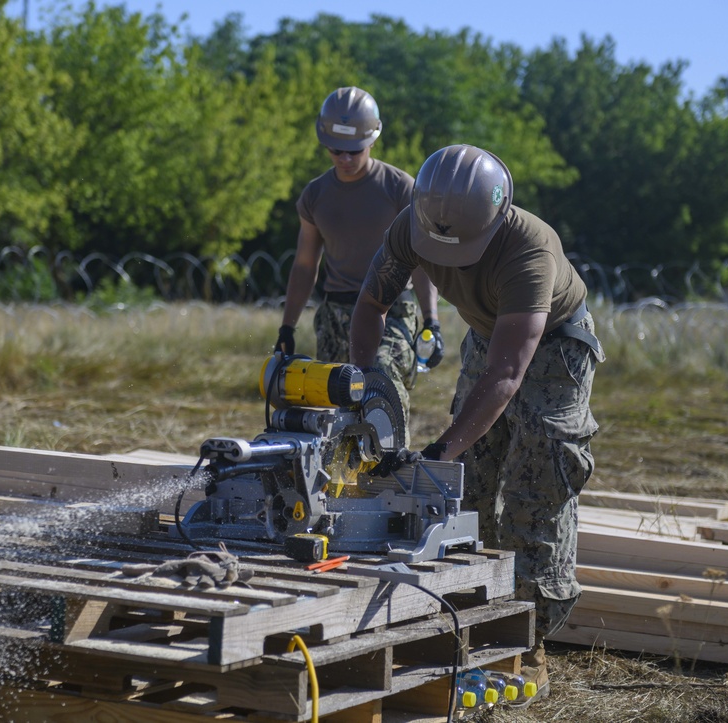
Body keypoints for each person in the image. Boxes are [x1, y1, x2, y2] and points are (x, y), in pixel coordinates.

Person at [350, 144, 604, 703]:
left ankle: (530, 639)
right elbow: (371, 306)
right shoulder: (411, 224)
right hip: (488, 337)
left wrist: (440, 448)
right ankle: (473, 622)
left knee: (535, 494)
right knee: (465, 488)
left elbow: (509, 374)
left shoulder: (528, 249)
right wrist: (362, 390)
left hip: (553, 352)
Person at [274, 87, 443, 442]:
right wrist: (287, 328)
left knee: (380, 383)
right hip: (336, 312)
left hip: (391, 308)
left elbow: (420, 262)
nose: (345, 158)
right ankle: (339, 485)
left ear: (372, 141)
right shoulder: (315, 195)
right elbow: (305, 266)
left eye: (354, 151)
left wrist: (432, 322)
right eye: (336, 150)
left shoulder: (399, 188)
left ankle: (390, 466)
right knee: (334, 401)